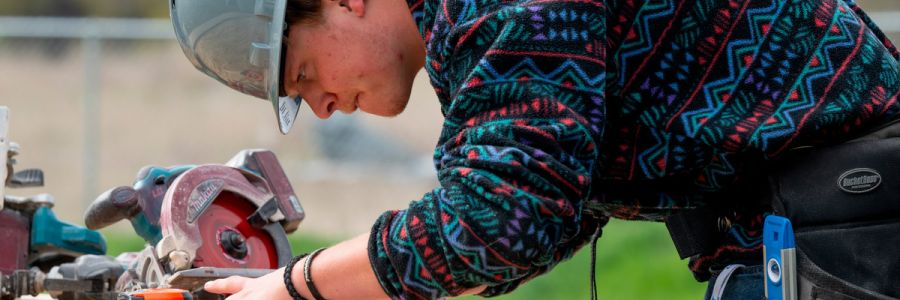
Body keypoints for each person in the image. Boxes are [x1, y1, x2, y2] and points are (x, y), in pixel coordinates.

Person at [169, 0, 900, 298]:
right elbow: (543, 213)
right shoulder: (471, 26)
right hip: (808, 223)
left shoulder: (498, 6)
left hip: (850, 221)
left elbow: (499, 218)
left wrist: (299, 287)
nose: (324, 107)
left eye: (304, 75)